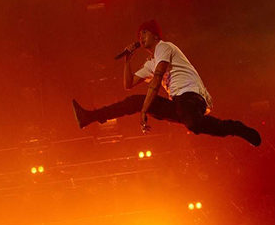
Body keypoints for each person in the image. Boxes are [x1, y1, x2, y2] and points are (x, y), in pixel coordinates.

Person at [72, 20, 261, 146]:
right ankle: (90, 116)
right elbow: (128, 84)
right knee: (135, 102)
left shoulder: (164, 47)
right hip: (178, 104)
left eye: (144, 33)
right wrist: (128, 60)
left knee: (192, 123)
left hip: (192, 97)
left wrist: (145, 110)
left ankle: (236, 127)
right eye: (139, 35)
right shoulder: (151, 63)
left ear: (156, 36)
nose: (140, 37)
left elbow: (157, 78)